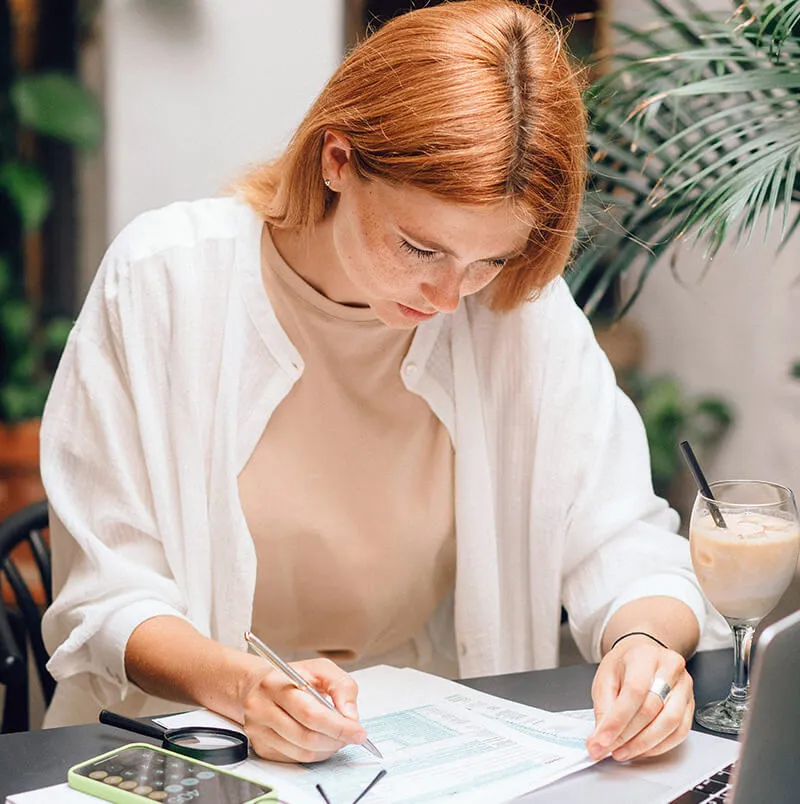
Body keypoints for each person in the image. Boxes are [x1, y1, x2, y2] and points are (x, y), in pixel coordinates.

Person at [40, 0, 725, 767]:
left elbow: (621, 537)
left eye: (489, 259)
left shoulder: (512, 312)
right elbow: (108, 596)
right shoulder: (164, 281)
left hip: (419, 754)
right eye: (419, 247)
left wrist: (644, 644)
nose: (446, 296)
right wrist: (244, 689)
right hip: (189, 743)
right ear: (337, 160)